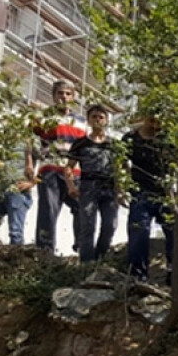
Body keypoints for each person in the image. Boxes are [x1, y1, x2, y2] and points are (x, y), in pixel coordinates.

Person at [123, 113, 178, 283]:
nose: (156, 126)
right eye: (152, 121)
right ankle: (138, 277)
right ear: (145, 119)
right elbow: (121, 163)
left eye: (160, 122)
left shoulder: (168, 140)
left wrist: (177, 192)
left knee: (175, 231)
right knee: (139, 232)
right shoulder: (130, 138)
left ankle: (177, 275)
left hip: (165, 193)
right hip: (140, 192)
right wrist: (121, 189)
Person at [31, 80, 87, 252]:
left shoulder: (82, 122)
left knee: (82, 208)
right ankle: (45, 250)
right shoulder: (43, 117)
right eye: (60, 93)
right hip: (50, 169)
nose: (64, 97)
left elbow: (86, 148)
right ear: (54, 96)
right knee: (48, 209)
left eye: (68, 94)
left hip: (74, 171)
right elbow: (30, 141)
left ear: (73, 97)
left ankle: (82, 246)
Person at [66, 104, 119, 263]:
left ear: (106, 121)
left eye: (101, 117)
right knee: (88, 225)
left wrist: (121, 190)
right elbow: (69, 167)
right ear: (88, 120)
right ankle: (87, 262)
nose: (97, 120)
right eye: (94, 117)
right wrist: (71, 186)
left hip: (109, 188)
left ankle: (100, 258)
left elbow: (121, 169)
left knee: (110, 225)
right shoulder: (81, 143)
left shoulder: (114, 145)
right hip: (88, 186)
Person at [0, 143, 36, 245]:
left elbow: (48, 161)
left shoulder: (29, 139)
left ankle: (17, 259)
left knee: (15, 232)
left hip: (18, 192)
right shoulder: (3, 140)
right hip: (1, 191)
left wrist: (32, 183)